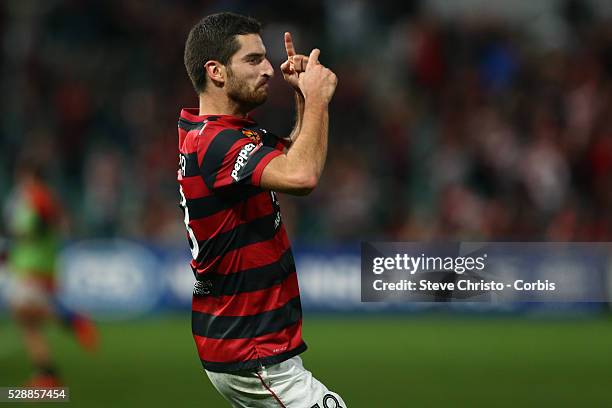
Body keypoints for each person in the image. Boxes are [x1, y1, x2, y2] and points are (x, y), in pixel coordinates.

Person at [178, 12, 345, 407]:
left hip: (242, 343)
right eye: (253, 60)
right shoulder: (215, 143)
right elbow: (302, 175)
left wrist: (304, 96)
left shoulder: (219, 131)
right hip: (253, 352)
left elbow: (293, 153)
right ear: (216, 71)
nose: (269, 69)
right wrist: (319, 97)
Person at [3, 161, 98, 387]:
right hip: (36, 262)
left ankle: (72, 320)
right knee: (27, 323)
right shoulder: (44, 197)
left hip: (32, 264)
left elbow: (32, 228)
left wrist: (13, 235)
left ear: (28, 175)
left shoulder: (35, 197)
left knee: (22, 310)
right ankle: (47, 376)